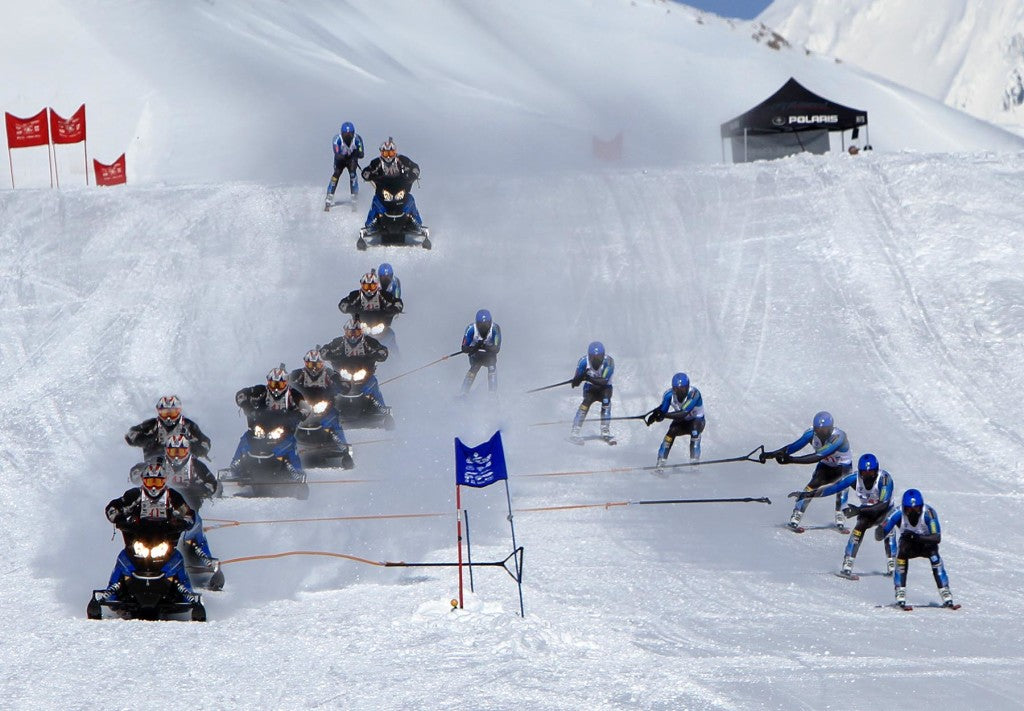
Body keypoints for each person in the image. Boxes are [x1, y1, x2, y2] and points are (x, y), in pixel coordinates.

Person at [97, 460, 198, 603]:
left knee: (177, 560)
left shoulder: (172, 497)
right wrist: (118, 518)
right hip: (138, 540)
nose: (154, 486)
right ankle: (111, 592)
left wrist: (182, 523)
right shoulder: (135, 495)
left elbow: (188, 514)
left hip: (164, 541)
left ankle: (188, 595)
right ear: (144, 481)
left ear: (164, 481)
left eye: (158, 481)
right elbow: (113, 508)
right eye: (151, 481)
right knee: (123, 560)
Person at [789, 452, 896, 577]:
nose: (867, 477)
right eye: (864, 473)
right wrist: (808, 494)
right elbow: (833, 488)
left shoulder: (884, 480)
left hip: (884, 510)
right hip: (866, 509)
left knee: (888, 528)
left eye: (871, 473)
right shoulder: (853, 478)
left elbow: (883, 505)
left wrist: (859, 510)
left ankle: (892, 563)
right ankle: (848, 563)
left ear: (876, 471)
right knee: (859, 529)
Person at [761, 411, 852, 531]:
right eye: (818, 430)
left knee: (842, 488)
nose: (821, 433)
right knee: (811, 487)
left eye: (824, 430)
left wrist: (791, 460)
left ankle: (840, 517)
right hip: (825, 465)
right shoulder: (811, 433)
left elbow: (818, 456)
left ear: (830, 428)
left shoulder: (838, 437)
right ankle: (796, 516)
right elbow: (793, 447)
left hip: (842, 467)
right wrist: (771, 455)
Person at [874, 488, 956, 609]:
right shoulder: (897, 513)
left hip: (926, 544)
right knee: (901, 553)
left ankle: (945, 593)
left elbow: (936, 537)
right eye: (908, 509)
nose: (912, 512)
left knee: (935, 557)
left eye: (916, 509)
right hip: (908, 546)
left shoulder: (929, 513)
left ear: (921, 507)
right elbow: (880, 533)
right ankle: (900, 594)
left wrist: (917, 537)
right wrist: (881, 529)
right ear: (904, 508)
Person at [231, 366, 310, 478]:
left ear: (286, 383)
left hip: (284, 429)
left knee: (290, 443)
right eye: (273, 384)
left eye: (280, 384)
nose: (276, 388)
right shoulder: (261, 391)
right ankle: (235, 467)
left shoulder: (293, 394)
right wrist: (246, 405)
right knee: (246, 438)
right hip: (261, 427)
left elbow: (306, 407)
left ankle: (296, 471)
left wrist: (300, 414)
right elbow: (241, 395)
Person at [162, 435, 222, 575]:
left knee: (196, 527)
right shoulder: (160, 464)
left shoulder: (196, 465)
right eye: (173, 452)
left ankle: (205, 560)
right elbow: (144, 472)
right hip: (164, 507)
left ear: (187, 451)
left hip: (190, 506)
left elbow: (211, 483)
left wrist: (201, 490)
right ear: (166, 451)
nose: (176, 457)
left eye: (180, 452)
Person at [288, 348, 355, 468]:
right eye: (310, 364)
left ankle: (344, 450)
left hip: (324, 407)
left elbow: (342, 383)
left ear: (322, 364)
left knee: (332, 421)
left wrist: (342, 385)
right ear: (305, 363)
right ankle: (285, 451)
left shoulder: (329, 374)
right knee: (287, 424)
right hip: (304, 407)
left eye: (317, 364)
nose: (314, 368)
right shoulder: (297, 374)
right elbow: (285, 383)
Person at [321, 317, 391, 418]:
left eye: (356, 333)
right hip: (341, 377)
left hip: (364, 377)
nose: (353, 336)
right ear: (345, 332)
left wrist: (379, 354)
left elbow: (382, 350)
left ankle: (383, 412)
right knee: (328, 389)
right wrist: (326, 354)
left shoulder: (369, 342)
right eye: (350, 333)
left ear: (361, 332)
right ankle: (324, 415)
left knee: (372, 385)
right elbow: (325, 349)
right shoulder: (338, 343)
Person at [360, 137, 426, 234]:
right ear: (381, 153)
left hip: (401, 189)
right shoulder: (376, 162)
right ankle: (371, 224)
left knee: (410, 200)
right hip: (383, 191)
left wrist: (413, 174)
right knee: (376, 201)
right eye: (385, 153)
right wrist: (369, 175)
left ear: (394, 152)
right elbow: (367, 171)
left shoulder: (401, 160)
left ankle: (416, 223)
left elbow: (415, 167)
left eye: (390, 153)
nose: (388, 157)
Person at [125, 395, 211, 462]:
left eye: (172, 413)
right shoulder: (152, 425)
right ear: (159, 412)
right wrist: (142, 438)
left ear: (179, 411)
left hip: (184, 466)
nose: (169, 418)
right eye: (165, 413)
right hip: (156, 470)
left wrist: (197, 448)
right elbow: (130, 434)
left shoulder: (188, 425)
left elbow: (205, 441)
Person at [644, 372, 705, 468]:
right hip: (682, 422)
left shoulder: (694, 394)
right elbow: (663, 411)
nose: (680, 392)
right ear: (673, 388)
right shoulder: (669, 395)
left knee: (695, 431)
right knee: (670, 433)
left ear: (688, 386)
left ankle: (694, 462)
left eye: (683, 388)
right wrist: (655, 416)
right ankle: (661, 462)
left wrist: (663, 415)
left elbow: (682, 413)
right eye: (677, 389)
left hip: (696, 420)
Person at [569, 341, 615, 445]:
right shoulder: (583, 361)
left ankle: (605, 430)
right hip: (590, 387)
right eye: (593, 358)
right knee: (586, 402)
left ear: (603, 356)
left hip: (605, 387)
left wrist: (588, 377)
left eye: (599, 358)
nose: (596, 361)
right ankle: (575, 431)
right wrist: (577, 379)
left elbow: (603, 381)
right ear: (589, 356)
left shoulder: (609, 362)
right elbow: (576, 381)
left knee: (606, 401)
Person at [338, 269, 404, 323]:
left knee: (390, 335)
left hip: (382, 327)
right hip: (359, 329)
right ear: (362, 285)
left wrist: (394, 309)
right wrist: (349, 308)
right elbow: (342, 304)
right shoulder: (355, 295)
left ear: (377, 285)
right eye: (366, 286)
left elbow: (398, 302)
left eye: (372, 286)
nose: (369, 290)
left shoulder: (384, 294)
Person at [460, 309, 502, 395]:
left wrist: (484, 346)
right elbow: (464, 348)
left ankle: (492, 394)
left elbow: (496, 348)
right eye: (481, 325)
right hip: (476, 354)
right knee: (474, 367)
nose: (484, 328)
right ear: (477, 324)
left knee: (491, 367)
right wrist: (474, 348)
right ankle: (463, 393)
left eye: (486, 325)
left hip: (489, 354)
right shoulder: (471, 329)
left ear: (490, 323)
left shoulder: (495, 328)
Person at [325, 121, 364, 210]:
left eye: (350, 135)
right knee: (336, 174)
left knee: (353, 175)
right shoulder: (337, 139)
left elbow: (362, 154)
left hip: (351, 159)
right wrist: (345, 155)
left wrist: (355, 153)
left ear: (353, 133)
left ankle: (354, 197)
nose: (348, 137)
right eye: (345, 135)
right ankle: (329, 197)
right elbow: (337, 154)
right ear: (341, 134)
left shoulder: (357, 139)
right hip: (340, 160)